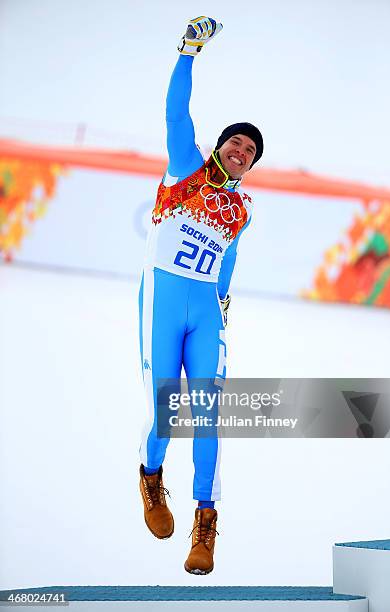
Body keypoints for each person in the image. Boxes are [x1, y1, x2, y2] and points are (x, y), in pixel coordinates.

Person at [138, 16, 263, 575]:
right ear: (220, 144)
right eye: (238, 140)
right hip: (162, 305)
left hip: (206, 314)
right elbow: (175, 111)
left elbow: (230, 255)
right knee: (167, 415)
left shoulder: (242, 210)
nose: (243, 150)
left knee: (209, 417)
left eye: (252, 150)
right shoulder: (186, 165)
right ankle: (150, 478)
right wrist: (188, 53)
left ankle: (205, 524)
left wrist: (226, 299)